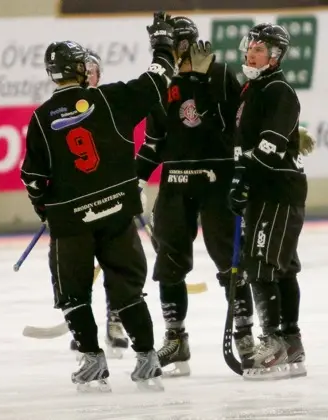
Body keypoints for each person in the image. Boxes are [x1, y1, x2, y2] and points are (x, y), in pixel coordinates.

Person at [20, 11, 179, 392]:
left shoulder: (41, 118)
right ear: (80, 69)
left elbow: (32, 178)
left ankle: (92, 360)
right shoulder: (111, 100)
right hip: (116, 212)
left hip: (71, 222)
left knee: (73, 292)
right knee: (127, 288)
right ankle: (146, 357)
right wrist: (162, 42)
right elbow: (159, 77)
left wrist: (46, 208)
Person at [135, 16, 255, 377]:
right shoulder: (160, 82)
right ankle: (176, 338)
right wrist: (130, 180)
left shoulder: (220, 74)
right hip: (176, 180)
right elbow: (154, 143)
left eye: (172, 44)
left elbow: (232, 126)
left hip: (219, 178)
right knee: (169, 262)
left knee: (231, 261)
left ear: (185, 43)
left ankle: (245, 334)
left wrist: (201, 83)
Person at [230, 23, 313, 380]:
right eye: (249, 46)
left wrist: (242, 177)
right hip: (268, 190)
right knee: (283, 266)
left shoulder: (277, 90)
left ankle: (274, 342)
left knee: (261, 265)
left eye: (260, 49)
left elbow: (270, 146)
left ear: (276, 56)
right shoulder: (253, 88)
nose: (250, 53)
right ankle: (291, 341)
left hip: (276, 190)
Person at [68, 49, 130, 360]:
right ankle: (82, 326)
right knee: (78, 267)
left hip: (112, 199)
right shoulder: (59, 109)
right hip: (78, 203)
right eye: (83, 70)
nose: (87, 75)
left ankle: (115, 320)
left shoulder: (111, 102)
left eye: (92, 70)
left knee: (117, 264)